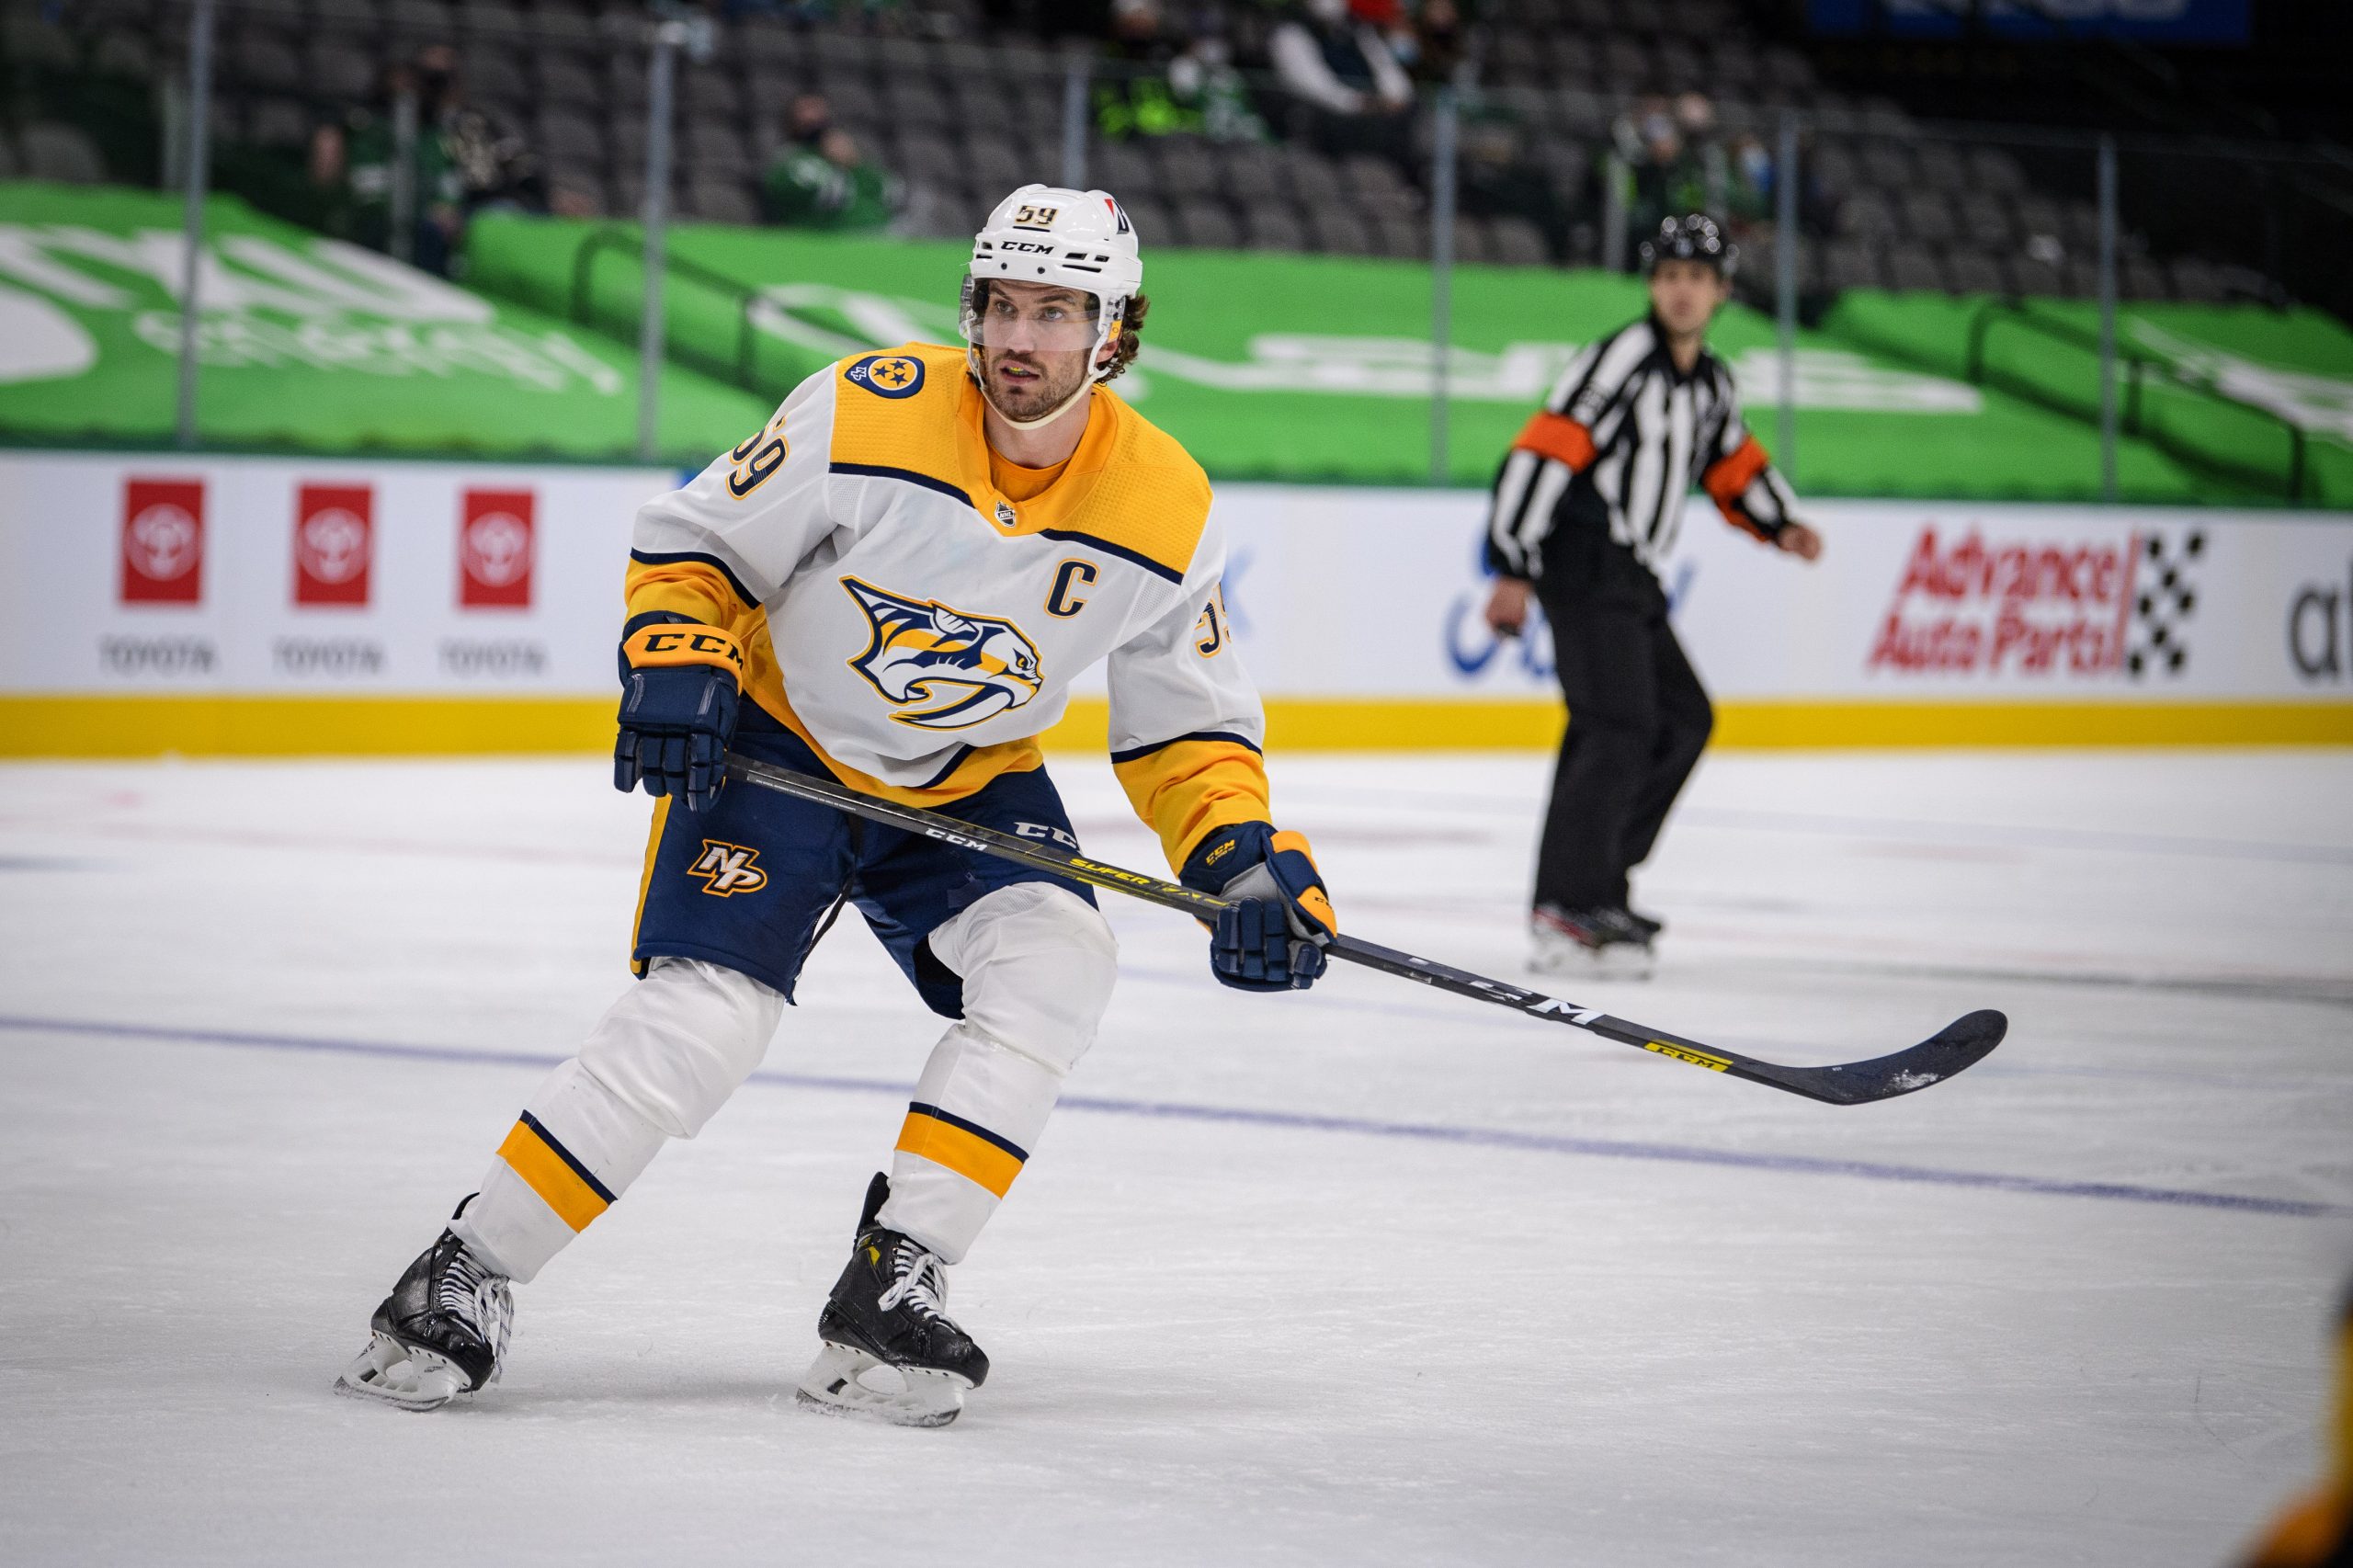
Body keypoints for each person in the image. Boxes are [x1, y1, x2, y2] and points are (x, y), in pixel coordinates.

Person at [335, 186, 1338, 1428]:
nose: (1022, 338)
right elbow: (699, 542)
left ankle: (894, 1279)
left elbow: (1187, 724)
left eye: (1057, 313)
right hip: (783, 741)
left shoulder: (1166, 507)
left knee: (1060, 958)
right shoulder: (868, 409)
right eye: (1003, 305)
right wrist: (676, 650)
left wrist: (1243, 857)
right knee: (707, 1020)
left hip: (965, 777)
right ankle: (465, 1268)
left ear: (1114, 331)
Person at [1482, 213, 1821, 977]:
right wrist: (1511, 566)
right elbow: (1544, 451)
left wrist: (1782, 524)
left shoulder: (1710, 383)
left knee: (1681, 720)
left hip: (1632, 574)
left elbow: (1732, 461)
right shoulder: (1620, 360)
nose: (1682, 291)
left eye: (1697, 279)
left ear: (1722, 292)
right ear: (1652, 285)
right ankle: (1568, 904)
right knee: (1618, 727)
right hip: (1582, 560)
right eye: (1670, 276)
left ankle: (1598, 884)